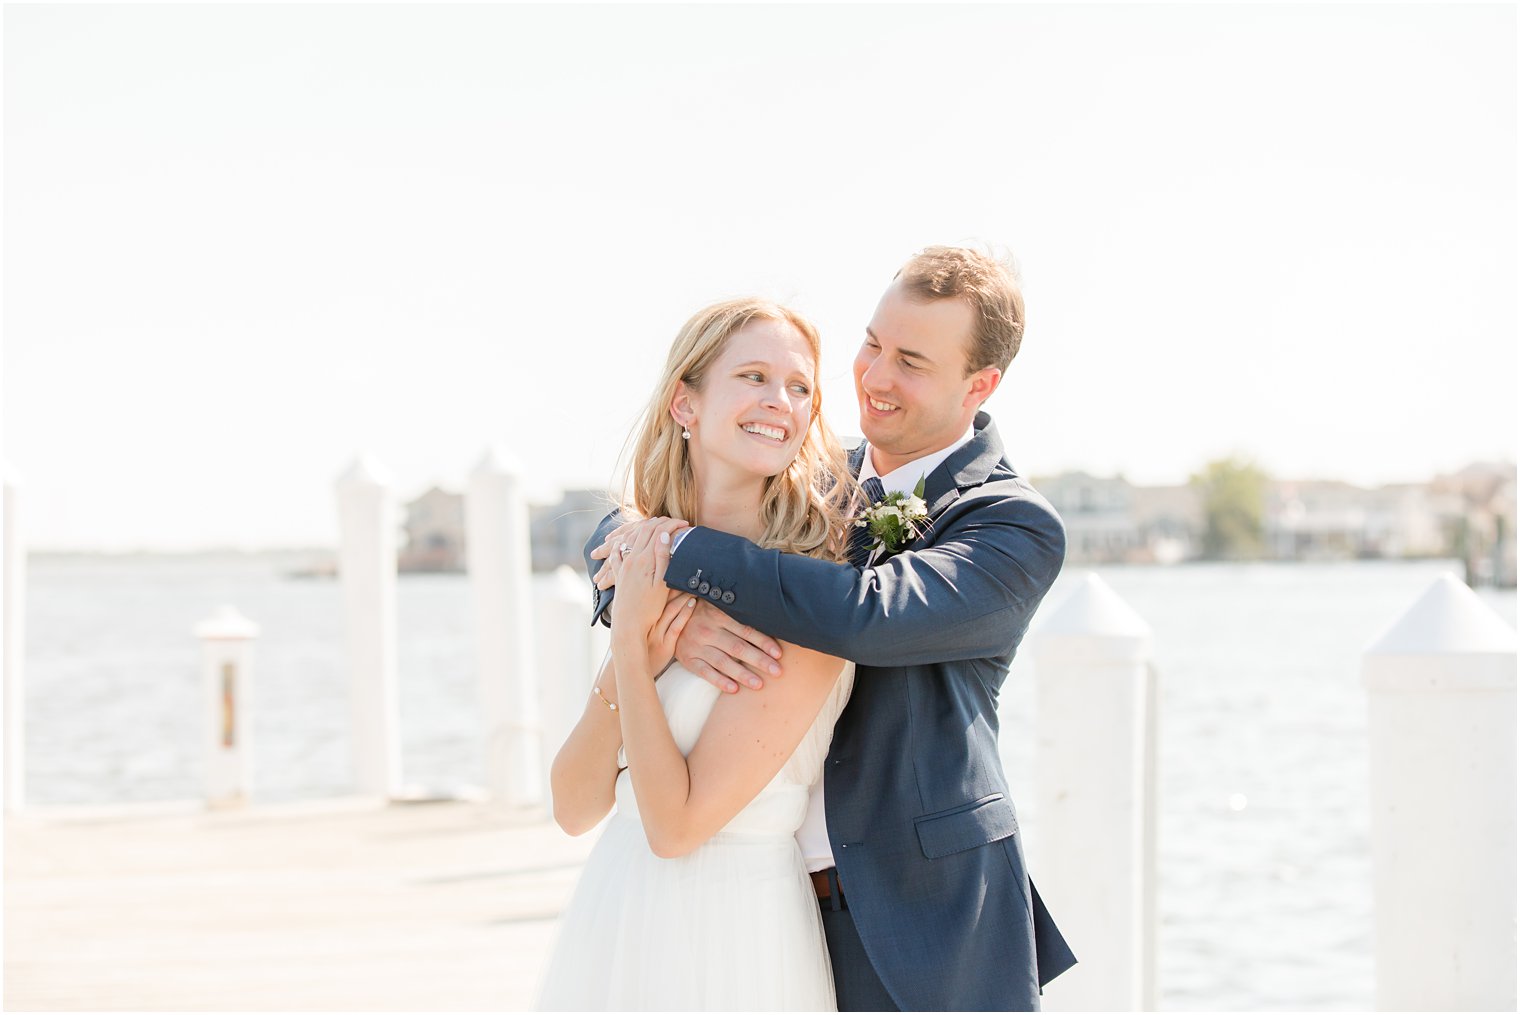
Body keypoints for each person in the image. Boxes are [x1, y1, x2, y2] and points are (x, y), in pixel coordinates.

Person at [588, 246, 1077, 1011]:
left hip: (924, 919)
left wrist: (675, 555)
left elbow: (867, 614)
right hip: (768, 899)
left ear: (978, 385)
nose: (875, 377)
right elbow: (632, 522)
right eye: (873, 344)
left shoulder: (1012, 526)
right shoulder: (812, 481)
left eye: (911, 360)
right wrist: (668, 623)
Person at [537, 298, 858, 1011]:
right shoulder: (650, 563)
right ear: (685, 401)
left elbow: (676, 827)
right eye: (753, 375)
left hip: (735, 931)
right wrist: (643, 647)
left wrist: (631, 645)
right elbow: (573, 804)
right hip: (618, 910)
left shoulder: (809, 598)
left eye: (800, 386)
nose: (780, 401)